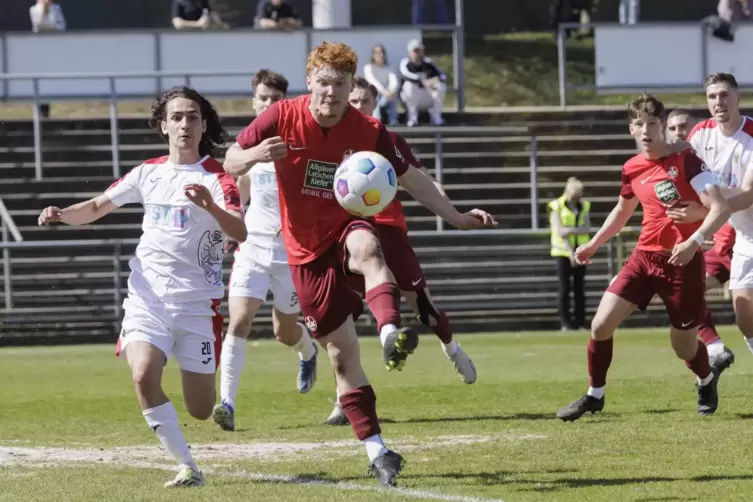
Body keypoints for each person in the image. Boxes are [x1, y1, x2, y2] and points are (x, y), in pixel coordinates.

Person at [223, 42, 496, 486]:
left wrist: (456, 216)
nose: (331, 92)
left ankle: (390, 332)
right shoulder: (280, 116)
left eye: (341, 84)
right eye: (324, 82)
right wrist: (253, 157)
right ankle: (378, 451)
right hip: (303, 252)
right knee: (341, 357)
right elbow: (231, 157)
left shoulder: (368, 128)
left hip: (346, 226)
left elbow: (411, 178)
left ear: (352, 86)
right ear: (310, 80)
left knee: (369, 248)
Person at [37, 87, 246, 487]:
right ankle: (187, 466)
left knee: (201, 408)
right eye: (178, 117)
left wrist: (210, 207)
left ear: (203, 125)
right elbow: (98, 206)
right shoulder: (147, 172)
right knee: (143, 376)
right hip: (147, 300)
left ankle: (197, 421)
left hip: (197, 308)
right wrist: (63, 214)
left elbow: (241, 230)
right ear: (162, 125)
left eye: (193, 117)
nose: (185, 124)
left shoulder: (218, 178)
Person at [556, 93, 730, 422]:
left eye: (652, 123)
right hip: (644, 259)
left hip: (683, 262)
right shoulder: (632, 168)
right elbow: (622, 212)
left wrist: (693, 241)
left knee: (684, 347)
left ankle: (706, 379)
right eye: (640, 125)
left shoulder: (686, 161)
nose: (646, 130)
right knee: (600, 325)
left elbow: (719, 208)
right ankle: (595, 395)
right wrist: (593, 244)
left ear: (663, 127)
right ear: (631, 130)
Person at [323, 77, 478, 426]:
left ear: (375, 103)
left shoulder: (387, 140)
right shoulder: (333, 141)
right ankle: (341, 398)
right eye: (355, 100)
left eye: (366, 101)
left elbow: (417, 175)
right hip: (346, 234)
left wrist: (440, 191)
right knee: (341, 320)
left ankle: (452, 348)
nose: (359, 105)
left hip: (389, 230)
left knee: (423, 308)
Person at [212, 69, 318, 433]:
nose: (269, 105)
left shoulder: (300, 140)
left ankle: (307, 351)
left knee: (283, 332)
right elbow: (237, 189)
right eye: (263, 98)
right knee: (239, 322)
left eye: (276, 99)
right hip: (253, 245)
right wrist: (227, 227)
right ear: (253, 101)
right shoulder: (247, 146)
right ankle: (226, 402)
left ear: (284, 103)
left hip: (291, 250)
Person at [666, 73, 753, 367]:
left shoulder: (751, 136)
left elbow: (748, 195)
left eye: (725, 95)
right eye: (712, 96)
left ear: (737, 98)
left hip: (740, 229)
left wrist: (703, 213)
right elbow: (687, 178)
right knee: (745, 318)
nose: (719, 102)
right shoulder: (701, 134)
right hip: (745, 237)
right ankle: (715, 348)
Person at [665, 106, 736, 374]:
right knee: (687, 289)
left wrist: (703, 212)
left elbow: (728, 201)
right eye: (672, 128)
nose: (679, 132)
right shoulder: (674, 168)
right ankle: (715, 347)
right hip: (720, 247)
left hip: (745, 240)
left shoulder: (717, 154)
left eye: (684, 126)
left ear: (697, 129)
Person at [548, 177, 590, 331]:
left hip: (582, 250)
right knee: (564, 289)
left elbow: (586, 228)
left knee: (580, 289)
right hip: (562, 252)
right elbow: (560, 231)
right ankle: (565, 323)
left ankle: (580, 322)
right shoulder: (556, 206)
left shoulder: (584, 205)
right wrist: (571, 252)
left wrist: (570, 230)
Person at [399, 39, 446, 127]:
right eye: (415, 51)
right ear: (410, 52)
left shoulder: (429, 63)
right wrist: (422, 82)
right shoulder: (405, 63)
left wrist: (435, 80)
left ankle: (436, 118)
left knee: (441, 86)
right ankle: (413, 119)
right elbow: (406, 75)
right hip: (410, 99)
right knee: (409, 85)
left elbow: (442, 76)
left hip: (427, 96)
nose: (417, 54)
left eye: (419, 51)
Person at [363, 45, 400, 125]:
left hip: (386, 96)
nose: (381, 55)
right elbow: (373, 82)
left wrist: (392, 90)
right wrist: (385, 92)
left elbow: (393, 80)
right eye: (378, 53)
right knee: (375, 96)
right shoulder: (368, 68)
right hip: (375, 94)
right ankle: (377, 120)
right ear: (373, 55)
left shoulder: (389, 68)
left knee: (394, 95)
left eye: (383, 52)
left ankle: (393, 121)